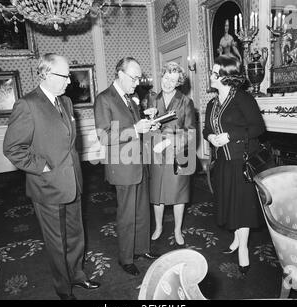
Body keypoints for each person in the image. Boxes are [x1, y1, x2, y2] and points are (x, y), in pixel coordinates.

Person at [3, 53, 100, 300]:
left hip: (73, 183)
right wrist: (43, 167)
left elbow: (68, 143)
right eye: (65, 75)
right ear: (45, 74)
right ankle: (63, 289)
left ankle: (77, 275)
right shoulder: (27, 104)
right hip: (47, 187)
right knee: (57, 243)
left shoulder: (66, 102)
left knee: (77, 236)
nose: (70, 81)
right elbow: (13, 148)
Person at [94, 57, 159, 276]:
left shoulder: (131, 97)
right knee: (127, 214)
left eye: (139, 77)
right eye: (134, 78)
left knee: (142, 211)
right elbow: (104, 136)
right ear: (120, 74)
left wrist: (148, 124)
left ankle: (142, 249)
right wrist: (135, 128)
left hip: (138, 162)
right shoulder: (104, 99)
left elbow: (135, 128)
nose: (137, 83)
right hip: (122, 166)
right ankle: (126, 258)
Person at [203, 55, 265, 275]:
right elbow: (206, 129)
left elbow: (258, 127)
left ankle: (243, 249)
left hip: (241, 161)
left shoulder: (242, 98)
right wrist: (210, 138)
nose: (211, 75)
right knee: (231, 204)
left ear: (226, 76)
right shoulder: (212, 103)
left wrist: (230, 135)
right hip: (223, 162)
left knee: (241, 207)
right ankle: (238, 240)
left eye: (214, 72)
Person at [147, 61, 196, 246]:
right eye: (166, 77)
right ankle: (158, 227)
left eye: (173, 80)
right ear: (161, 76)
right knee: (157, 193)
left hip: (178, 155)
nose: (168, 83)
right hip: (157, 154)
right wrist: (151, 128)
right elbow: (145, 128)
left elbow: (190, 132)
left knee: (178, 194)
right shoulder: (152, 99)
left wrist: (168, 140)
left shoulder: (186, 102)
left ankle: (177, 230)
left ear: (178, 83)